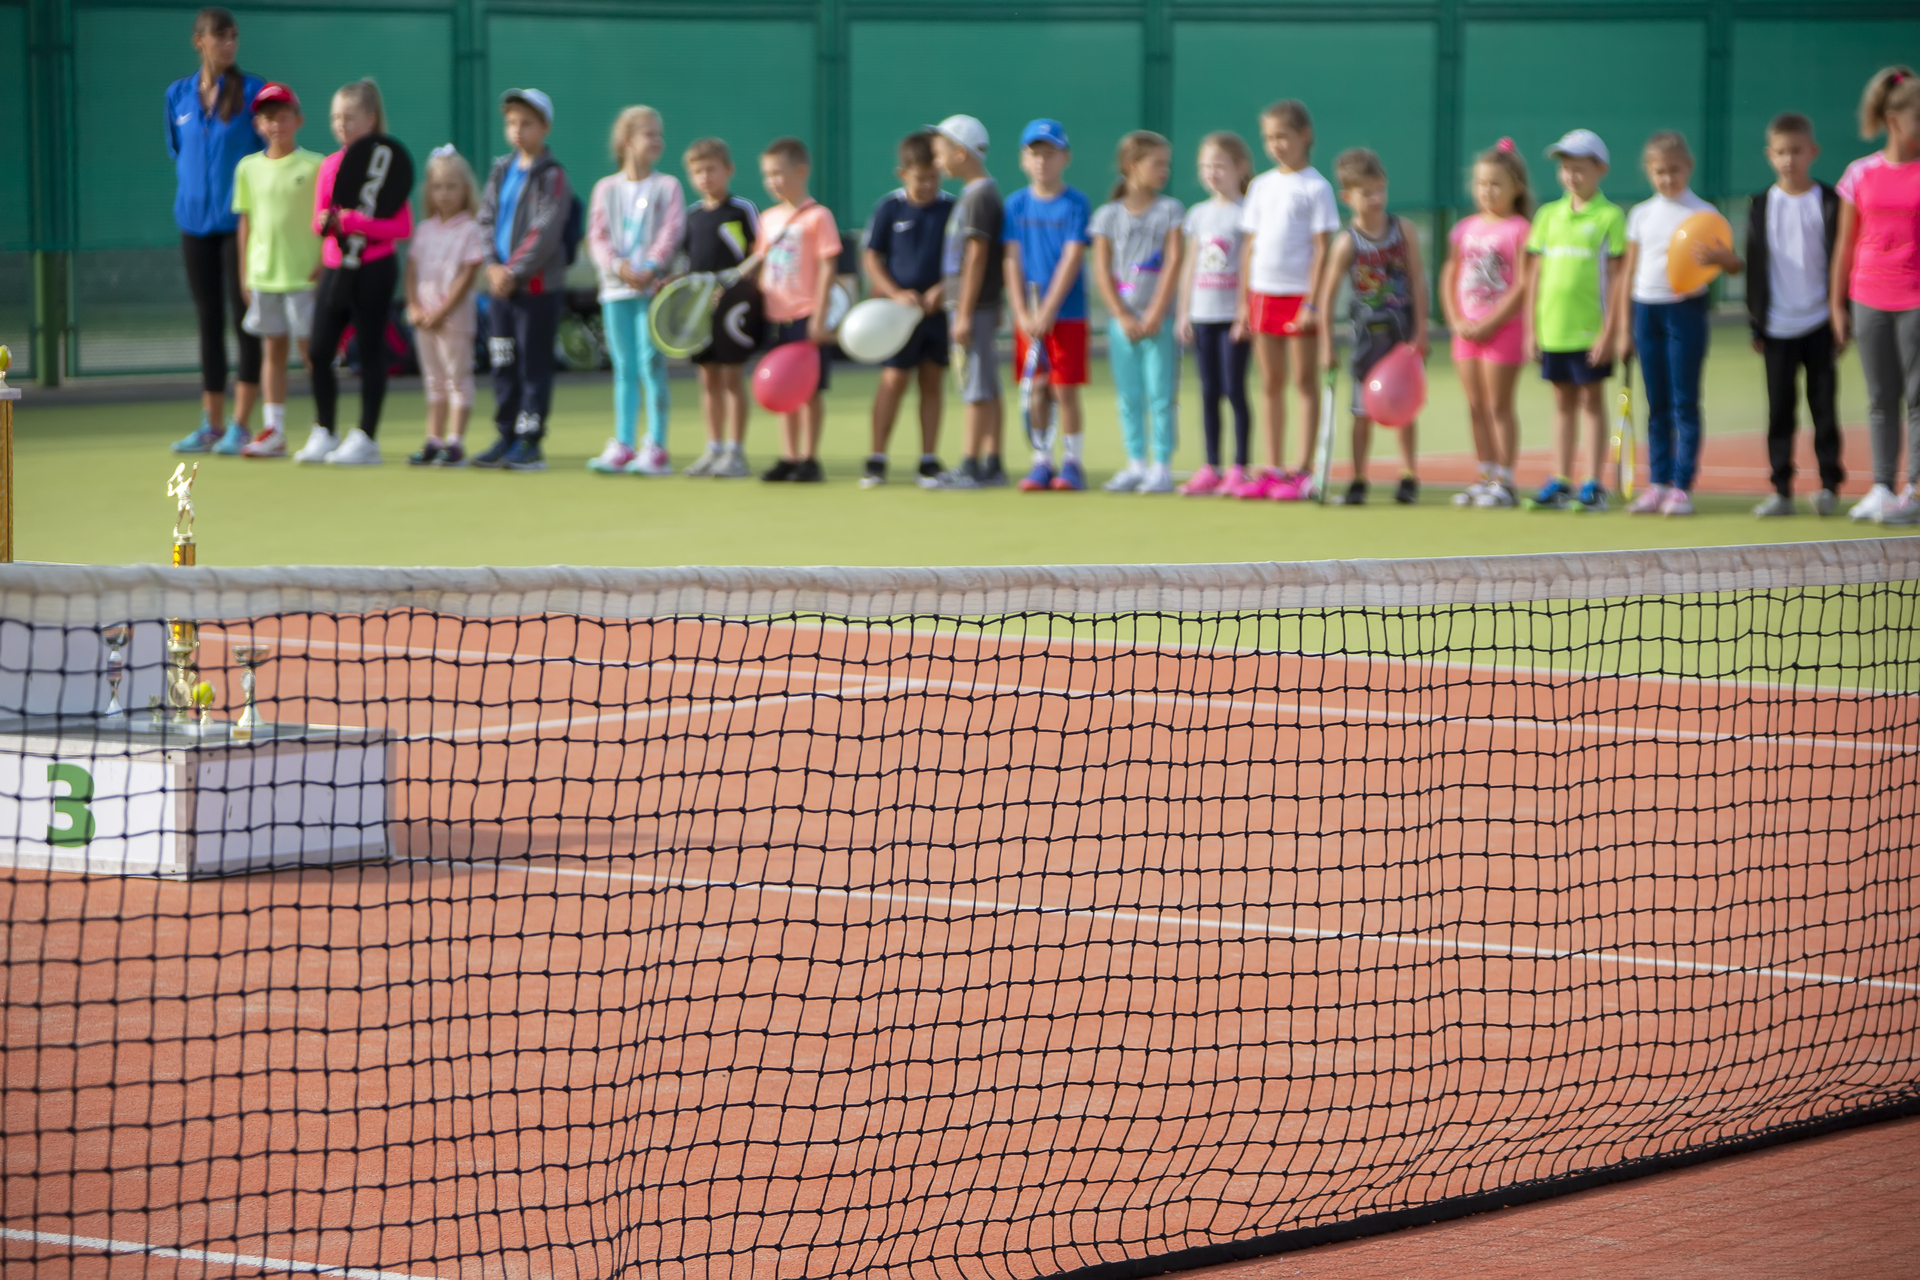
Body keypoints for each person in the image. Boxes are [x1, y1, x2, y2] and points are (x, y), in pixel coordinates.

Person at [293, 79, 413, 466]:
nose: (340, 124)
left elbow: (401, 226)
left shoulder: (387, 164)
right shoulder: (330, 165)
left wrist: (357, 222)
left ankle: (366, 438)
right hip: (334, 267)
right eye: (335, 118)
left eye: (349, 117)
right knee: (319, 349)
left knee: (371, 350)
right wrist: (328, 222)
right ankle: (325, 430)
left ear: (371, 119)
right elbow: (319, 222)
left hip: (375, 268)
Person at [1618, 131, 1738, 517]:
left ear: (1689, 167)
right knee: (1656, 403)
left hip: (1685, 312)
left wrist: (1723, 258)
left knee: (1684, 400)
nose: (1667, 179)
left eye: (1674, 170)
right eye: (1659, 172)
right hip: (1645, 311)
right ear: (1648, 172)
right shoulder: (1640, 215)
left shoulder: (1704, 215)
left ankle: (1682, 487)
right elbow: (1628, 272)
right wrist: (1622, 327)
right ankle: (1657, 483)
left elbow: (1734, 265)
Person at [166, 6, 264, 453]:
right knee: (209, 322)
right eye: (220, 36)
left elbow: (268, 153)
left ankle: (241, 426)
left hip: (238, 225)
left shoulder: (254, 92)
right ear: (199, 41)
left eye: (234, 37)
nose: (229, 44)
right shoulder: (177, 96)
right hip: (193, 225)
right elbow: (178, 151)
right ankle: (211, 424)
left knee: (245, 319)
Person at [1236, 100, 1339, 501]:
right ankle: (1274, 467)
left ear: (1304, 136)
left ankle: (1302, 469)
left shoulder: (1317, 187)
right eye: (1268, 138)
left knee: (1303, 381)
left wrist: (1312, 303)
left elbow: (1321, 250)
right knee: (1271, 383)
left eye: (1282, 136)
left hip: (1299, 298)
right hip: (1263, 294)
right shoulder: (1260, 186)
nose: (1275, 145)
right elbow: (1248, 247)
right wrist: (1244, 301)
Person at [1314, 148, 1428, 505]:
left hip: (1401, 336)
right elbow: (1326, 295)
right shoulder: (1347, 242)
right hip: (1366, 337)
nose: (1375, 198)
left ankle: (1409, 476)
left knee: (1405, 408)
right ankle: (1359, 479)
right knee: (1361, 412)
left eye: (1379, 189)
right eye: (1366, 192)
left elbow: (1417, 281)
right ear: (1347, 197)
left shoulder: (1402, 230)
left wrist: (1421, 330)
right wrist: (1326, 344)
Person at [1523, 129, 1626, 512]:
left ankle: (1594, 484)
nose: (1570, 176)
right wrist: (1532, 329)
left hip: (1590, 330)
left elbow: (1617, 279)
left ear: (1600, 170)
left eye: (1579, 168)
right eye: (1565, 169)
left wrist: (1609, 331)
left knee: (1591, 401)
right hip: (1553, 329)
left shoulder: (1610, 217)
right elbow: (1533, 276)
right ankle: (1561, 480)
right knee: (1562, 402)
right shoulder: (1547, 216)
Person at [1834, 65, 1920, 526]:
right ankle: (1883, 488)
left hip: (1916, 302)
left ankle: (1916, 489)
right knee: (1879, 397)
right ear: (1893, 121)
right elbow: (1845, 246)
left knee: (1918, 397)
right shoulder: (1859, 174)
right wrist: (1836, 305)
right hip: (1868, 298)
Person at [472, 88, 573, 472]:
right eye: (512, 123)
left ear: (544, 128)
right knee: (503, 361)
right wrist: (492, 267)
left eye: (527, 123)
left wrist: (512, 271)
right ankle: (506, 433)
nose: (517, 130)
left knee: (533, 365)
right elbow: (485, 219)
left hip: (535, 291)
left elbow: (544, 231)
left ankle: (530, 440)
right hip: (500, 289)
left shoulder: (553, 176)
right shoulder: (500, 169)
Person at [1747, 113, 1842, 518]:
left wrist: (1841, 315)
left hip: (1820, 324)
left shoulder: (1830, 200)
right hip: (1776, 328)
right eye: (1781, 152)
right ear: (1770, 155)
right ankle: (1782, 490)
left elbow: (1841, 261)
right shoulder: (1761, 204)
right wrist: (1757, 322)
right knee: (1779, 412)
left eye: (1796, 151)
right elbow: (1754, 266)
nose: (1789, 160)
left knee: (1824, 408)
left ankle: (1828, 487)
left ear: (1812, 152)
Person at [587, 107, 685, 477]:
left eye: (659, 134)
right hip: (615, 292)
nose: (657, 140)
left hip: (653, 290)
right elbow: (596, 236)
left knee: (651, 364)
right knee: (624, 367)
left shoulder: (668, 186)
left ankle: (656, 446)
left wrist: (651, 267)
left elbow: (672, 231)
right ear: (627, 141)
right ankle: (623, 444)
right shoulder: (605, 188)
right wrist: (618, 267)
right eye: (649, 134)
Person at [229, 82, 320, 461]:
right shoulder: (247, 168)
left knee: (312, 352)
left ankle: (324, 427)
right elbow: (246, 224)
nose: (276, 123)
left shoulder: (317, 165)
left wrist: (323, 265)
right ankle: (276, 430)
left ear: (298, 120)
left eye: (283, 115)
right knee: (273, 351)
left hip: (307, 277)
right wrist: (245, 272)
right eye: (267, 117)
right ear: (257, 125)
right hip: (265, 276)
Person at [1091, 131, 1185, 493]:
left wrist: (1155, 313)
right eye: (1157, 163)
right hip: (1122, 325)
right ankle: (1135, 464)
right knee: (1128, 395)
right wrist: (1123, 315)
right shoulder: (1107, 216)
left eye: (1166, 163)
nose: (1164, 170)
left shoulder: (1170, 210)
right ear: (1132, 166)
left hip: (1157, 323)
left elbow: (1174, 261)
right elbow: (1101, 269)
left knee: (1161, 395)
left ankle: (1161, 466)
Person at [1440, 139, 1533, 507]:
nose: (1487, 190)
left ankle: (1505, 481)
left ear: (1516, 187)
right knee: (1476, 405)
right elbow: (1450, 272)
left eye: (1496, 183)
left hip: (1503, 331)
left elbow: (1524, 284)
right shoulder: (1464, 228)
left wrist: (1491, 321)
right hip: (1467, 331)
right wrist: (1456, 319)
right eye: (1481, 183)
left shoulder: (1519, 229)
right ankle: (1484, 474)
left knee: (1498, 405)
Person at [861, 131, 956, 488]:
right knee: (893, 381)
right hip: (897, 317)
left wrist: (943, 290)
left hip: (937, 316)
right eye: (920, 178)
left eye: (934, 177)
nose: (928, 184)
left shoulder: (952, 208)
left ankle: (928, 460)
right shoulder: (890, 207)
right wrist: (896, 293)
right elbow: (871, 256)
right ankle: (876, 459)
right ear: (902, 174)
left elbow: (964, 261)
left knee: (932, 382)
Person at [1004, 119, 1091, 492]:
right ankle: (1041, 460)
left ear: (1065, 158)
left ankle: (1072, 462)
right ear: (1023, 160)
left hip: (1068, 314)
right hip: (1030, 317)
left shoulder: (1077, 203)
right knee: (1037, 387)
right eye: (1034, 154)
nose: (1042, 161)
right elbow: (1011, 259)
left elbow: (1072, 258)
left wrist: (1049, 308)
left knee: (1064, 389)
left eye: (1050, 154)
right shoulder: (1015, 205)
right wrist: (1022, 313)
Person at [753, 137, 840, 482]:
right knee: (782, 388)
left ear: (801, 172)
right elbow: (761, 266)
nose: (772, 181)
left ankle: (809, 457)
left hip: (806, 315)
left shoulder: (819, 217)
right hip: (776, 317)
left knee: (809, 391)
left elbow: (828, 267)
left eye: (779, 173)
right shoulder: (768, 218)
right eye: (767, 175)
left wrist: (820, 315)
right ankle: (788, 456)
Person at [928, 115, 1005, 490]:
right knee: (985, 383)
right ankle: (992, 464)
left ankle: (971, 465)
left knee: (975, 386)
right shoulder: (976, 194)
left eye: (941, 152)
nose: (936, 159)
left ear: (961, 153)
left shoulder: (979, 196)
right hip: (971, 305)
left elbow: (976, 257)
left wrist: (964, 311)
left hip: (971, 308)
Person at [678, 137, 761, 478]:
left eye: (711, 169)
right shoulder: (692, 216)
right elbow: (687, 265)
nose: (705, 177)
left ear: (728, 170)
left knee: (731, 377)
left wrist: (733, 286)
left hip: (735, 309)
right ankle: (713, 449)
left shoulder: (742, 210)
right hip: (701, 311)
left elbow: (759, 253)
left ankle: (736, 452)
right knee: (707, 378)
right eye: (697, 171)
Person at [1176, 131, 1253, 496]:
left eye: (1219, 165)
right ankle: (1211, 465)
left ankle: (1240, 466)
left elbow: (1249, 266)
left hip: (1231, 318)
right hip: (1202, 315)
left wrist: (1243, 313)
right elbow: (1190, 266)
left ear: (1240, 168)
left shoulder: (1246, 212)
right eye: (1206, 166)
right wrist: (1182, 314)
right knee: (1208, 391)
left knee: (1233, 389)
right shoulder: (1198, 214)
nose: (1212, 173)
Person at [404, 146, 489, 467]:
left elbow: (467, 275)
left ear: (465, 188)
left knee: (457, 378)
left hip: (454, 320)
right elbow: (411, 270)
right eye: (438, 186)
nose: (444, 194)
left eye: (452, 186)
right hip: (424, 319)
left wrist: (442, 311)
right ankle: (433, 439)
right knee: (434, 380)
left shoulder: (470, 229)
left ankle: (455, 443)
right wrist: (414, 306)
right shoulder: (425, 229)